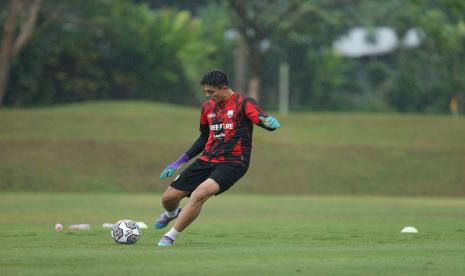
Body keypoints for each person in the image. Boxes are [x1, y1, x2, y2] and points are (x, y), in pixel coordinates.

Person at [155, 70, 280, 247]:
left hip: (234, 162)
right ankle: (171, 214)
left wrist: (268, 123)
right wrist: (179, 162)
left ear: (224, 88)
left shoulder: (243, 102)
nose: (207, 96)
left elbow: (261, 118)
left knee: (199, 194)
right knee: (168, 198)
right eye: (205, 91)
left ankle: (170, 236)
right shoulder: (207, 107)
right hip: (207, 159)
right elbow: (204, 138)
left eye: (211, 92)